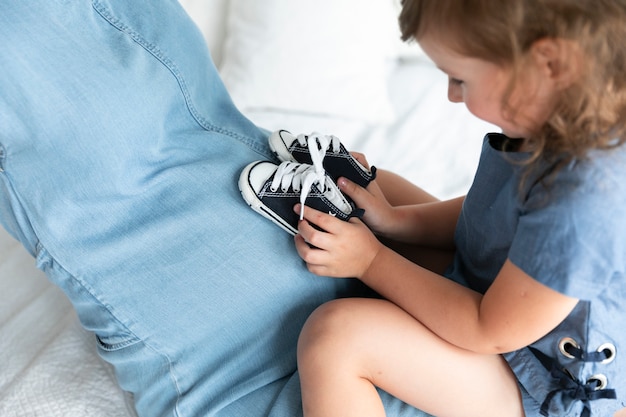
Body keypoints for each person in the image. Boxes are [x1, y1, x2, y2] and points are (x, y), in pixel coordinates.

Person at [0, 1, 431, 416]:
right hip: (359, 295)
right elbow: (468, 245)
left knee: (46, 65)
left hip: (238, 364)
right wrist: (379, 217)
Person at [293, 1, 626, 416]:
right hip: (499, 296)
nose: (451, 95)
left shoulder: (584, 203)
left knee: (335, 337)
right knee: (386, 191)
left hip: (539, 380)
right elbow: (492, 213)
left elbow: (487, 328)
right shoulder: (559, 116)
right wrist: (396, 221)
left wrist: (371, 261)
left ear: (549, 64)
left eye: (459, 78)